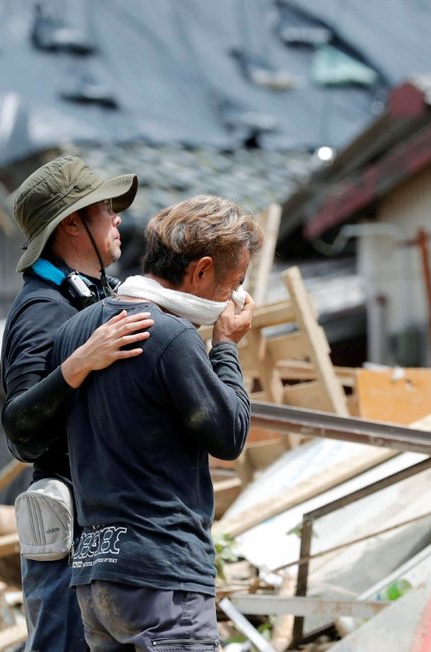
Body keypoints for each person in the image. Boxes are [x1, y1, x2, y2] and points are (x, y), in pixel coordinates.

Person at [48, 195, 261, 651]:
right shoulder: (170, 336)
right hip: (161, 575)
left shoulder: (76, 331)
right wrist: (225, 346)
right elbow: (230, 434)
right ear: (201, 271)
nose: (235, 296)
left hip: (96, 574)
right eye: (235, 282)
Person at [1, 155, 154, 651]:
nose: (118, 220)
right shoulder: (42, 309)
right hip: (66, 535)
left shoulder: (89, 297)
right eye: (106, 209)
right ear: (72, 224)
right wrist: (79, 363)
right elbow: (22, 433)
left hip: (103, 533)